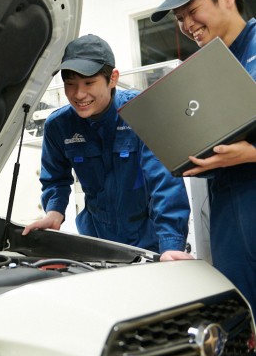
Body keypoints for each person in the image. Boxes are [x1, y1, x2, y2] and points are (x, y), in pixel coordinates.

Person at [22, 34, 192, 261]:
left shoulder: (142, 111)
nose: (79, 95)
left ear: (112, 78)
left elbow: (165, 182)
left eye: (89, 83)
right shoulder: (59, 126)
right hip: (96, 243)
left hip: (150, 242)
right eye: (70, 85)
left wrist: (171, 244)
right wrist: (55, 212)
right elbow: (55, 179)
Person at [150, 0, 256, 313]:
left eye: (193, 10)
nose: (187, 25)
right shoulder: (206, 71)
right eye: (180, 19)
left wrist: (251, 154)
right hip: (231, 225)